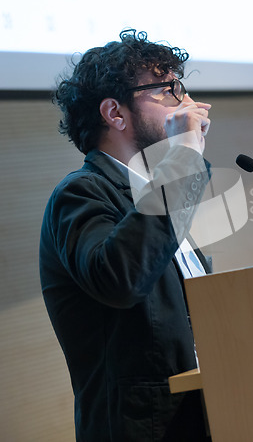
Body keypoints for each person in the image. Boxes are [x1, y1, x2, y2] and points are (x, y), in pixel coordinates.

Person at [39, 29, 212, 441]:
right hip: (143, 427)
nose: (186, 103)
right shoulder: (79, 194)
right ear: (115, 114)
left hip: (202, 412)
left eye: (180, 86)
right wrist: (185, 153)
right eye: (166, 89)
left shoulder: (153, 194)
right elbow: (122, 278)